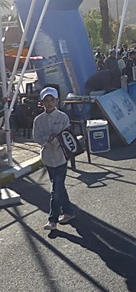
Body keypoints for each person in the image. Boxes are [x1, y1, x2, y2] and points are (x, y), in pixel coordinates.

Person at [33, 86, 75, 230]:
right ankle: (69, 211)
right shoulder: (38, 120)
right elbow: (37, 137)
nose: (49, 103)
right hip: (48, 158)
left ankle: (53, 219)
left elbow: (66, 135)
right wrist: (47, 140)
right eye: (46, 100)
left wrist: (55, 140)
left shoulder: (63, 117)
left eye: (52, 100)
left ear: (57, 101)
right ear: (42, 102)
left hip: (61, 157)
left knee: (55, 190)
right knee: (59, 186)